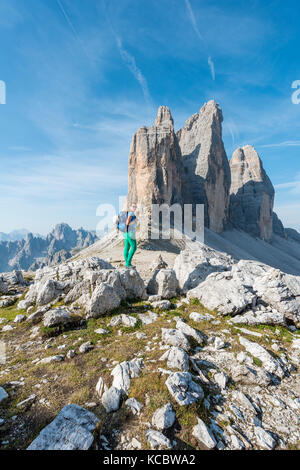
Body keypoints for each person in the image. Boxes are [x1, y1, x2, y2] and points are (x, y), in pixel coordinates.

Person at [123, 203, 137, 268]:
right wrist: (134, 221)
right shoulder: (131, 213)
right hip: (130, 232)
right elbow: (127, 223)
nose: (134, 208)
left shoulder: (128, 213)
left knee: (127, 247)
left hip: (125, 232)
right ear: (130, 207)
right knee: (134, 247)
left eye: (135, 206)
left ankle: (127, 263)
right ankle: (128, 263)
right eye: (133, 206)